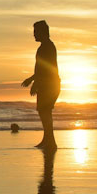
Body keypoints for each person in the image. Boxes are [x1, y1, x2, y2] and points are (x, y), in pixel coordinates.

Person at [21, 21, 61, 150]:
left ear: (42, 32)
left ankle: (50, 142)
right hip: (48, 84)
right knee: (44, 111)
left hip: (49, 84)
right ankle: (48, 140)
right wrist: (32, 79)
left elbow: (45, 69)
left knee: (45, 112)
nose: (34, 35)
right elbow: (40, 69)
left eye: (35, 32)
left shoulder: (47, 47)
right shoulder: (46, 46)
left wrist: (34, 82)